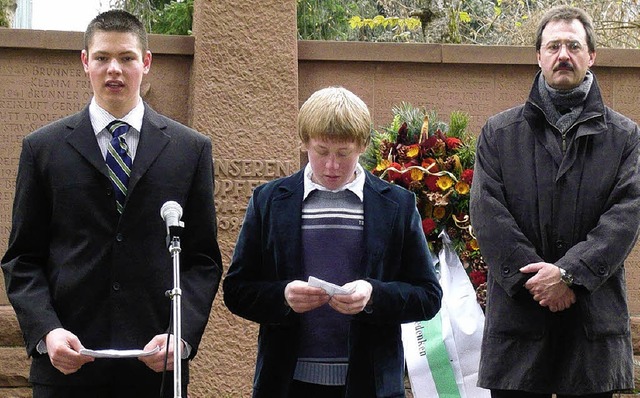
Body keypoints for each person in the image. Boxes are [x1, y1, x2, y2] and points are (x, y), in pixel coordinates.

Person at [1, 9, 222, 398]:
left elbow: (202, 260)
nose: (114, 69)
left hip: (154, 368)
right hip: (66, 367)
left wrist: (180, 334)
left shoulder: (190, 150)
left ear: (146, 63)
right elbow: (23, 259)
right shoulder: (43, 149)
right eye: (102, 57)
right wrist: (47, 331)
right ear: (85, 62)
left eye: (126, 58)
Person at [223, 87, 442, 398]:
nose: (332, 166)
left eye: (343, 153)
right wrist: (283, 295)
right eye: (321, 151)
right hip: (286, 383)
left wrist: (373, 294)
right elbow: (236, 290)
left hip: (372, 385)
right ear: (304, 142)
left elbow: (428, 296)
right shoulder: (270, 200)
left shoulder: (396, 205)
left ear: (363, 145)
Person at [470, 5, 640, 398]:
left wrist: (569, 276)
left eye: (574, 46)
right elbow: (486, 212)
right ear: (539, 56)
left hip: (590, 332)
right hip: (519, 330)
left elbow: (626, 216)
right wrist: (539, 282)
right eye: (554, 46)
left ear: (591, 56)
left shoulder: (625, 137)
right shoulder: (498, 133)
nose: (563, 55)